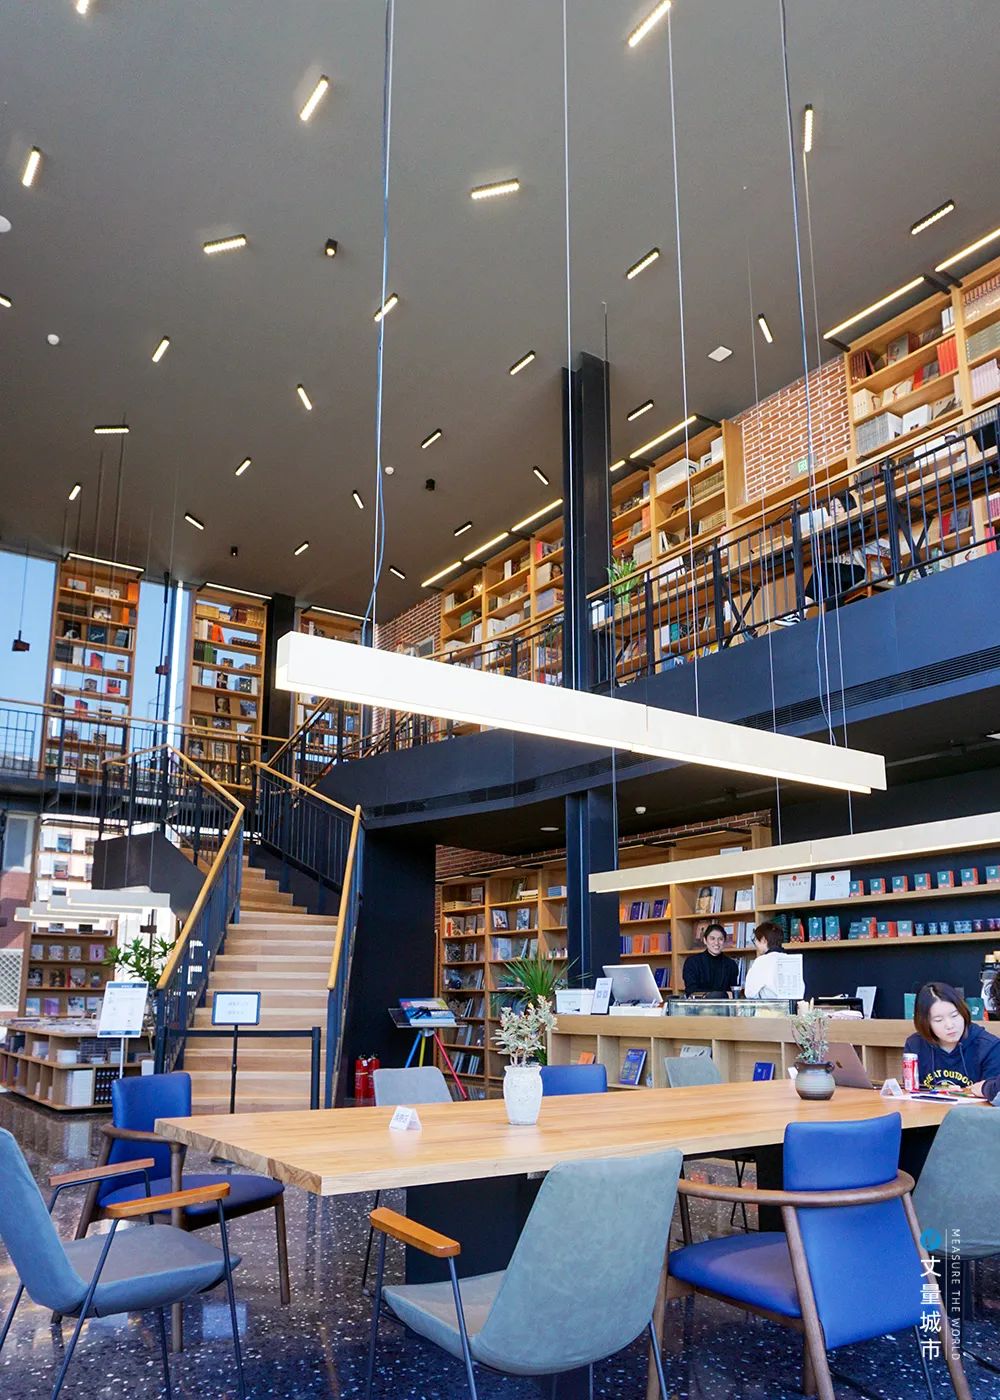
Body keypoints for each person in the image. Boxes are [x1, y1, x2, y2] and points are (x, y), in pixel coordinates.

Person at [904, 982, 1000, 1100]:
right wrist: (941, 1090)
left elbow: (994, 1096)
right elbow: (911, 1089)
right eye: (938, 1020)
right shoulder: (915, 1045)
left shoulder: (989, 1046)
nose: (950, 1025)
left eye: (954, 1016)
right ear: (925, 1022)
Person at [683, 923, 740, 996]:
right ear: (705, 940)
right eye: (712, 938)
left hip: (723, 1003)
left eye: (720, 939)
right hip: (699, 1003)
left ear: (724, 941)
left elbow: (733, 993)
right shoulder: (692, 962)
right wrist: (722, 994)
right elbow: (691, 991)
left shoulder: (731, 965)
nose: (716, 943)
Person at [742, 921, 786, 1000]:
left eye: (755, 940)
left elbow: (749, 992)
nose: (755, 944)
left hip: (768, 1006)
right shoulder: (789, 958)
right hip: (789, 1006)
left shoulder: (761, 961)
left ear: (763, 940)